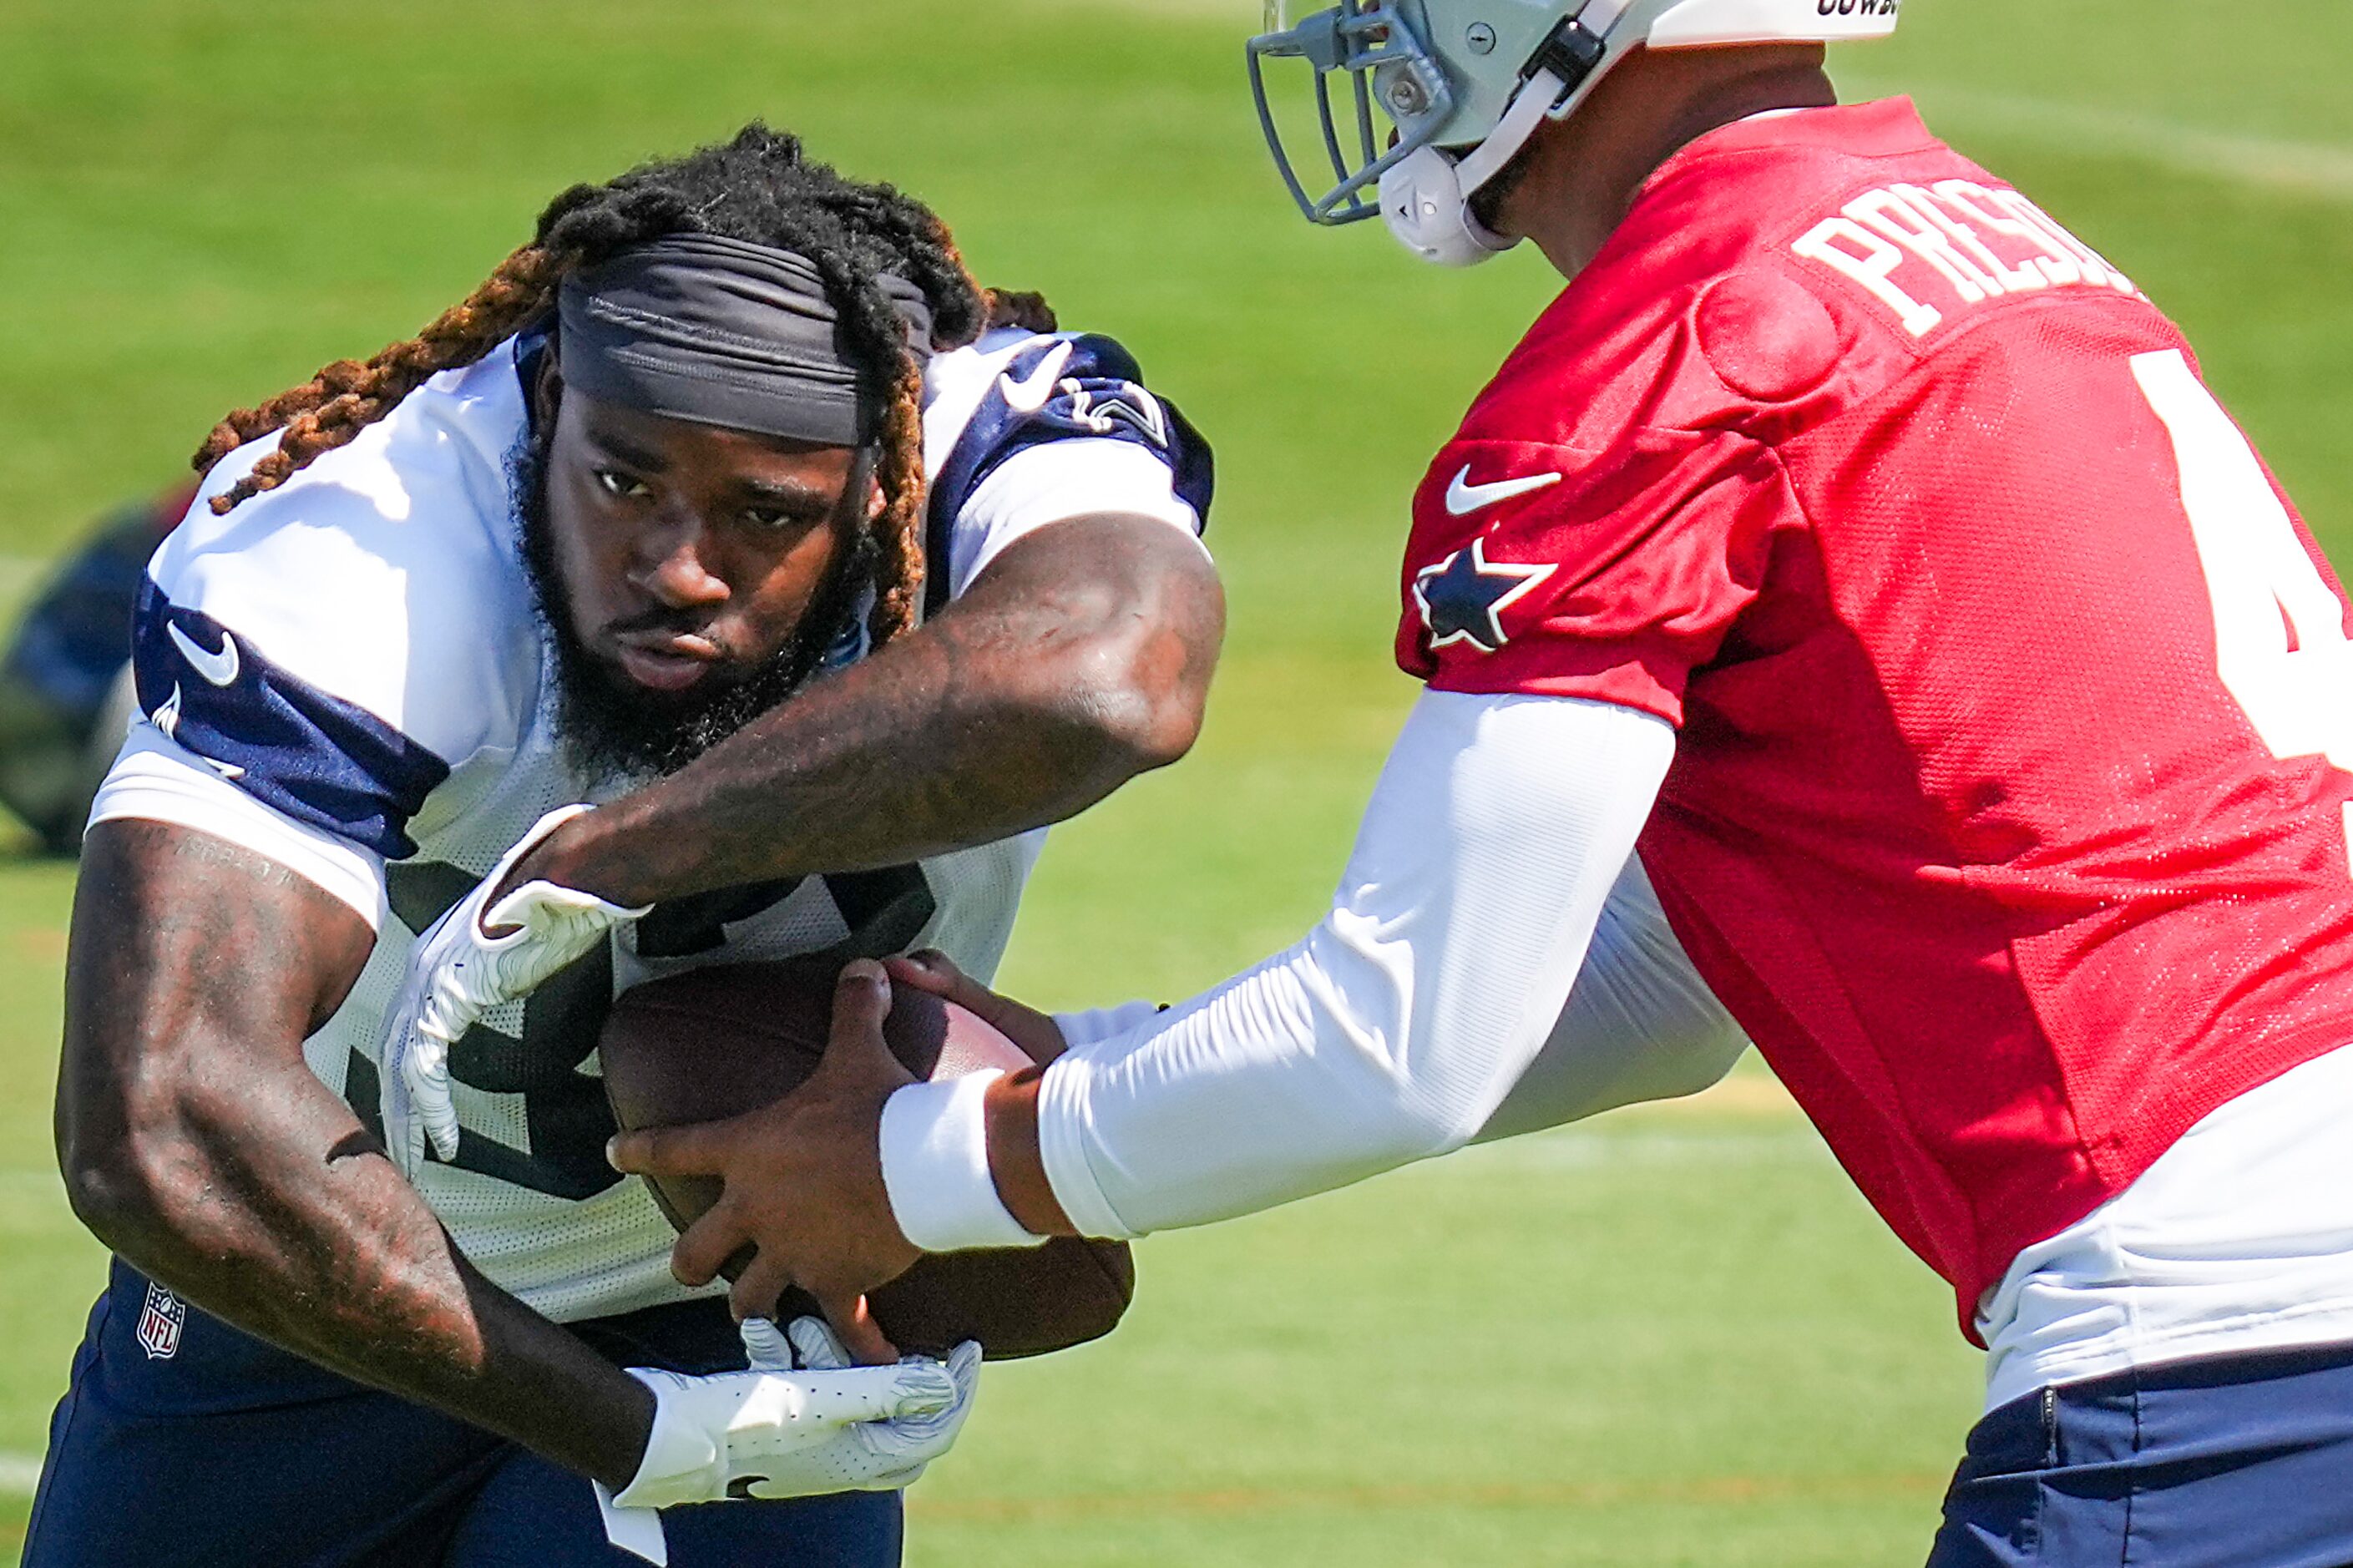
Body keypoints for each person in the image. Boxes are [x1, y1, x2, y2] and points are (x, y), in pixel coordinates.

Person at [410, 3, 2353, 1563]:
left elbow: (1403, 1037)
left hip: (2221, 1348)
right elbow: (1678, 979)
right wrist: (1072, 1070)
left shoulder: (1664, 360)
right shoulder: (1999, 246)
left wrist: (917, 1165)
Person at [38, 124, 1222, 1567]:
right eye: (620, 484)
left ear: (879, 483)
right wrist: (630, 1434)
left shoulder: (997, 435)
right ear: (544, 401)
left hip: (748, 1268)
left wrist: (610, 857)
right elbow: (159, 1118)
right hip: (322, 1263)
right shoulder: (366, 529)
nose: (675, 564)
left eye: (765, 515)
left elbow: (1111, 678)